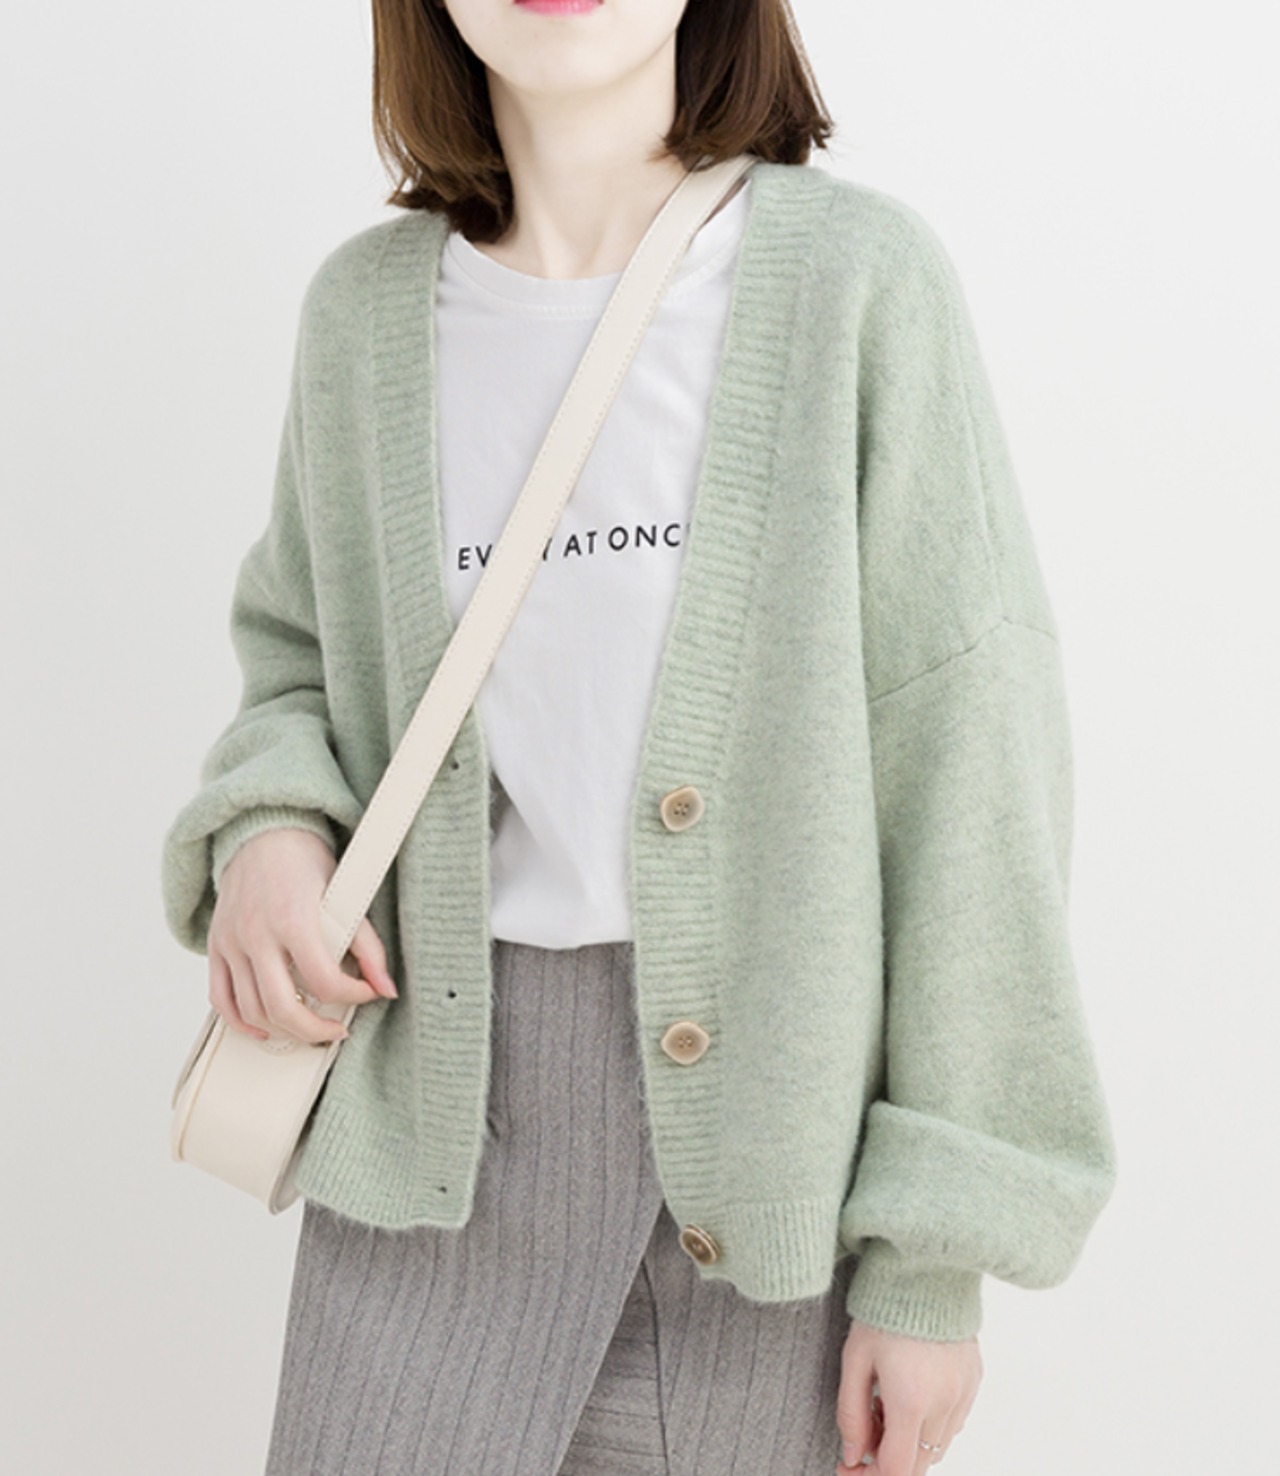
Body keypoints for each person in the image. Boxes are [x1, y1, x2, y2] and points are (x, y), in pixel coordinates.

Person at [160, 2, 1118, 1473]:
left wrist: (930, 1266)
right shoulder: (364, 318)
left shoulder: (855, 285)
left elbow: (971, 770)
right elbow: (296, 657)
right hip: (431, 1155)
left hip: (770, 1187)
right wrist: (271, 832)